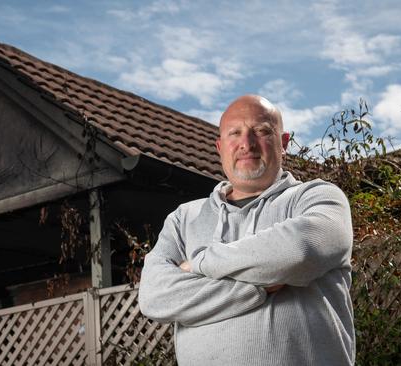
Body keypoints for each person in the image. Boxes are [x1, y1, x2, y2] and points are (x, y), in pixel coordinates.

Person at [138, 95, 355, 365]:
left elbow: (301, 250)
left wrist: (199, 264)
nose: (247, 144)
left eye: (262, 131)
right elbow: (154, 296)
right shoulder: (184, 218)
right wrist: (258, 288)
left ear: (283, 143)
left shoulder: (317, 197)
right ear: (220, 147)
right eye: (235, 133)